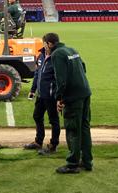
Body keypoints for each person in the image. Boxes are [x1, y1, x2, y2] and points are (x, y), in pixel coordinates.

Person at [46, 32, 93, 174]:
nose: (45, 49)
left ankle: (72, 164)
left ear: (49, 44)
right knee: (84, 127)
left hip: (73, 97)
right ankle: (87, 162)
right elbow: (83, 68)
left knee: (72, 129)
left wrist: (60, 98)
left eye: (45, 45)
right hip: (85, 92)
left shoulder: (57, 55)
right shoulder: (72, 50)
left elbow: (61, 79)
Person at [23, 44, 60, 155]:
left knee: (53, 120)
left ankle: (53, 145)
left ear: (51, 44)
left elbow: (60, 78)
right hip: (40, 94)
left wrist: (58, 95)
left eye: (46, 43)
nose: (45, 46)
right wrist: (33, 89)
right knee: (37, 116)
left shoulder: (57, 58)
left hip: (50, 95)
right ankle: (38, 141)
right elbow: (37, 74)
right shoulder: (41, 56)